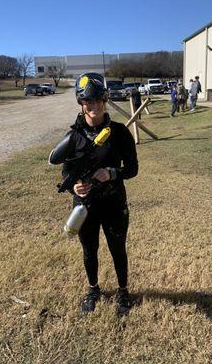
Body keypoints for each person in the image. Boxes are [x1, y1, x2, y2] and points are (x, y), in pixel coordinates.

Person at [49, 73, 138, 317]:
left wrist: (111, 173)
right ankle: (93, 289)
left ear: (105, 100)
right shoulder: (73, 137)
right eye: (88, 101)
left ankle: (122, 291)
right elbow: (66, 171)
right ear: (81, 103)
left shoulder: (119, 132)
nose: (94, 105)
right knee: (89, 250)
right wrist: (74, 187)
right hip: (84, 206)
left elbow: (132, 169)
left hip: (114, 202)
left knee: (117, 249)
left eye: (99, 99)